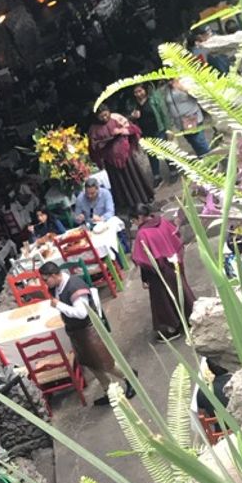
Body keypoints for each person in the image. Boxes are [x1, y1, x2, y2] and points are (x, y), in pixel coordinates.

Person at [39, 262, 135, 406]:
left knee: (105, 361)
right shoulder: (56, 287)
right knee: (90, 363)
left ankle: (130, 378)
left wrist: (59, 305)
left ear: (54, 275)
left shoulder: (74, 286)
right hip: (75, 331)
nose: (45, 283)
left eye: (46, 279)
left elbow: (82, 313)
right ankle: (109, 390)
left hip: (88, 330)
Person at [132, 204, 195, 340]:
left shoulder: (143, 234)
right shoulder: (163, 221)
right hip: (175, 263)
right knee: (182, 291)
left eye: (134, 220)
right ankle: (192, 319)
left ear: (140, 217)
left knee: (163, 301)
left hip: (159, 271)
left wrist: (145, 279)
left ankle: (171, 329)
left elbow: (145, 260)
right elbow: (176, 237)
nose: (134, 224)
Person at [88, 105, 154, 211]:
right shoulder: (93, 129)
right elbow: (93, 147)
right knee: (121, 184)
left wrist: (122, 131)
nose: (105, 118)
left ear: (109, 111)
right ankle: (129, 205)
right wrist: (103, 143)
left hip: (126, 156)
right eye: (101, 117)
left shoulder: (116, 118)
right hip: (111, 161)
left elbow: (133, 129)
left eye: (106, 115)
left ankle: (143, 199)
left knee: (134, 178)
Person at [160, 78, 211, 157]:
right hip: (180, 123)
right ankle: (205, 162)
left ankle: (212, 162)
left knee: (200, 142)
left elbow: (198, 95)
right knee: (194, 143)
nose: (170, 80)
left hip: (193, 118)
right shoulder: (166, 89)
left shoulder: (185, 81)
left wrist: (182, 87)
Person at [128, 84, 168, 184]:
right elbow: (129, 120)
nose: (138, 94)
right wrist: (132, 117)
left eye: (140, 91)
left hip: (158, 129)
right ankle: (157, 176)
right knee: (151, 154)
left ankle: (173, 169)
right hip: (145, 133)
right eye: (136, 92)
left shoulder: (153, 99)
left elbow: (163, 113)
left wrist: (167, 128)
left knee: (164, 150)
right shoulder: (133, 104)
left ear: (145, 90)